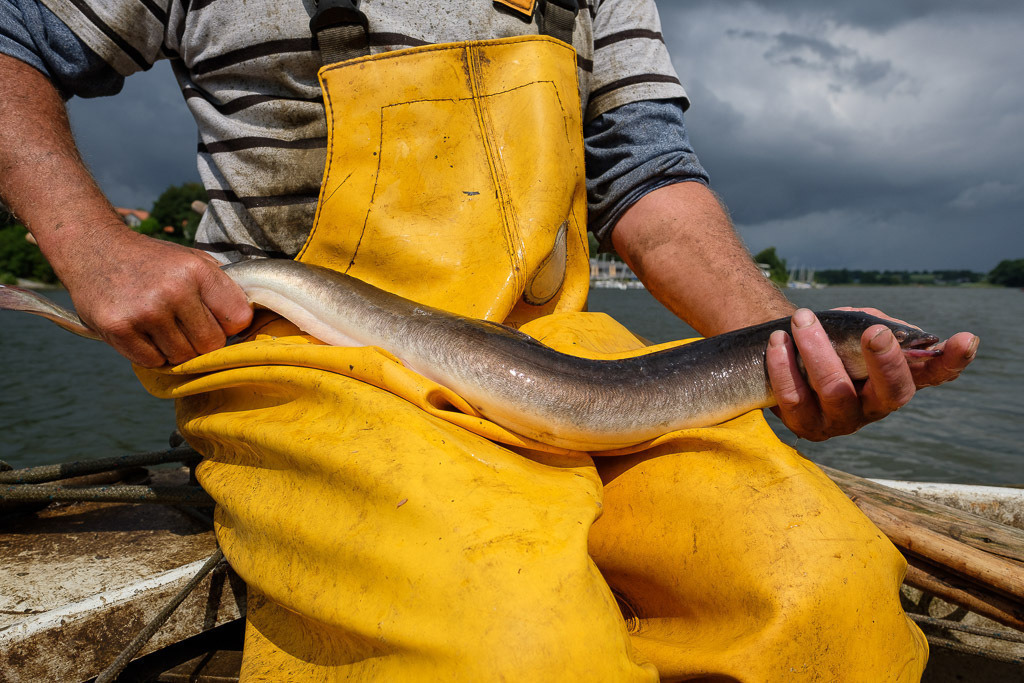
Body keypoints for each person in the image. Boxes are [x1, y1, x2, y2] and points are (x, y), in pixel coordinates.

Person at [0, 0, 977, 680]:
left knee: (830, 594)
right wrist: (92, 243)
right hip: (305, 351)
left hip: (560, 351)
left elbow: (649, 179)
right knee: (514, 655)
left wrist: (789, 344)